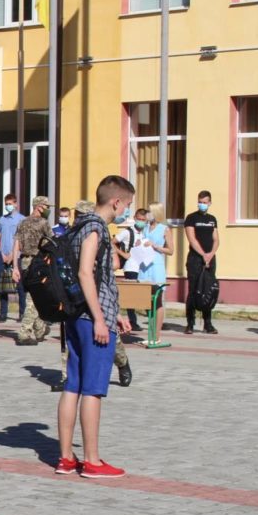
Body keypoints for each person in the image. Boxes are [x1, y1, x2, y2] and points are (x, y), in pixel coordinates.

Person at [56, 175, 135, 479]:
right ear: (116, 202)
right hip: (91, 319)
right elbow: (85, 273)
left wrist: (114, 313)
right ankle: (92, 460)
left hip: (76, 315)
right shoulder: (96, 228)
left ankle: (66, 457)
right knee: (93, 388)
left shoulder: (78, 225)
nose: (127, 211)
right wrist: (101, 317)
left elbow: (99, 279)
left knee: (73, 384)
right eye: (127, 205)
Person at [12, 196, 53, 346]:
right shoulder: (44, 223)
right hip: (38, 262)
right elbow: (51, 243)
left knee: (36, 295)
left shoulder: (22, 222)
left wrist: (15, 266)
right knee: (34, 298)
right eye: (46, 207)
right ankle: (24, 332)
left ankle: (40, 328)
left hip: (24, 262)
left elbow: (16, 244)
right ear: (38, 207)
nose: (48, 210)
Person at [183, 191, 220, 335]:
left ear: (209, 203)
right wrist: (203, 254)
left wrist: (210, 254)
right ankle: (190, 323)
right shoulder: (191, 218)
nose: (202, 204)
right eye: (200, 202)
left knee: (208, 290)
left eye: (205, 202)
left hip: (210, 260)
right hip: (195, 259)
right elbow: (192, 239)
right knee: (194, 290)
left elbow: (216, 239)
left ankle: (208, 324)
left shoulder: (212, 219)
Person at [137, 202, 172, 336]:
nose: (147, 214)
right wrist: (139, 244)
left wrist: (156, 246)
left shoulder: (164, 229)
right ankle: (151, 331)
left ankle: (156, 334)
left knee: (157, 300)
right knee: (147, 301)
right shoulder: (145, 228)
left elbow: (170, 250)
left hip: (156, 266)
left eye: (150, 212)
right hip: (145, 265)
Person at [116, 208, 148, 331]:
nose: (141, 222)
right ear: (134, 218)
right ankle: (132, 321)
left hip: (142, 266)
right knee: (132, 295)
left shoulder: (144, 233)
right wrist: (123, 254)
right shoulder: (127, 232)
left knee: (142, 294)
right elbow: (112, 243)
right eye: (139, 219)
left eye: (143, 220)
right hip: (131, 266)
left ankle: (149, 318)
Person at [0, 193, 25, 322]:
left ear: (15, 204)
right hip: (3, 256)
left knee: (19, 286)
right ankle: (3, 313)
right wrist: (1, 253)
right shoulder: (2, 219)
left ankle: (22, 312)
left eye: (10, 204)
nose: (8, 206)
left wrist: (13, 255)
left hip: (16, 256)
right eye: (6, 204)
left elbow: (21, 239)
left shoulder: (21, 219)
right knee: (3, 287)